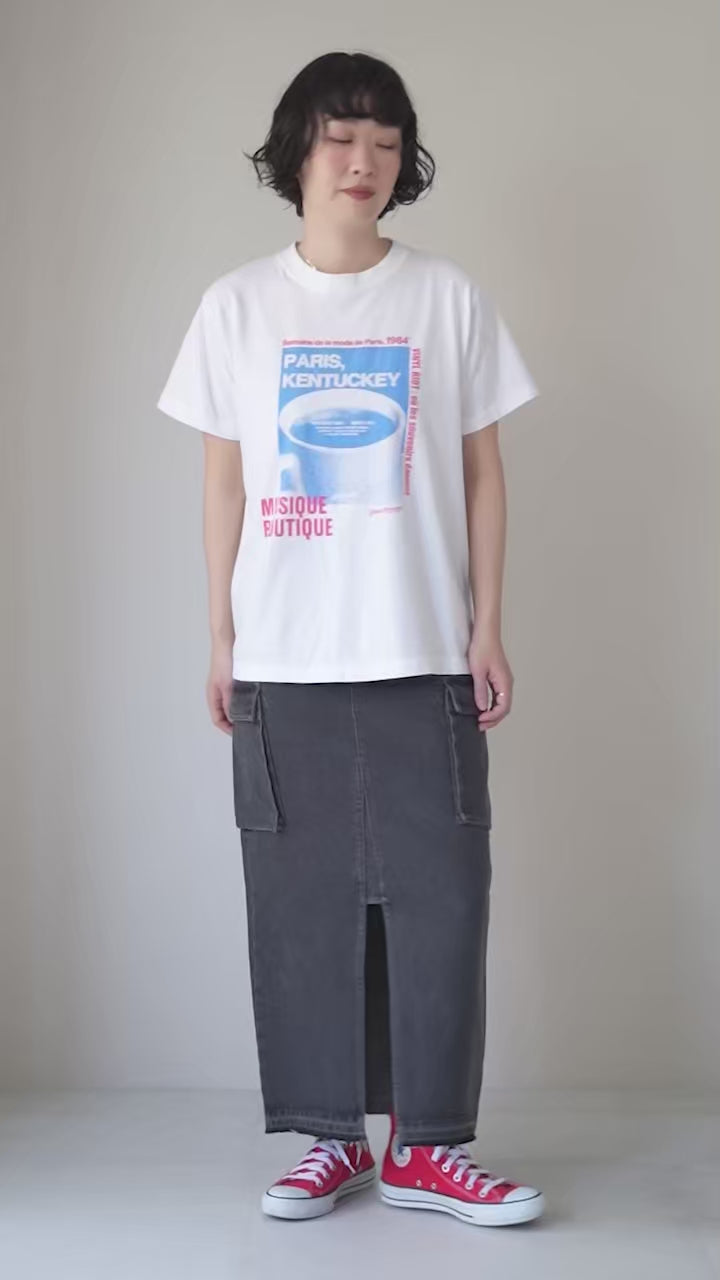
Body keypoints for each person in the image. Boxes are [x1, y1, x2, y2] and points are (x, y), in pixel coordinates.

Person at [156, 49, 544, 1228]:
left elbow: (483, 472)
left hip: (422, 647)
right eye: (340, 136)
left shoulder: (447, 297)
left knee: (443, 896)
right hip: (288, 655)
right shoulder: (236, 306)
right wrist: (221, 635)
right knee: (302, 902)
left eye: (384, 138)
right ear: (297, 152)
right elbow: (224, 483)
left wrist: (488, 622)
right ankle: (332, 1138)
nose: (363, 159)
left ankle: (427, 1146)